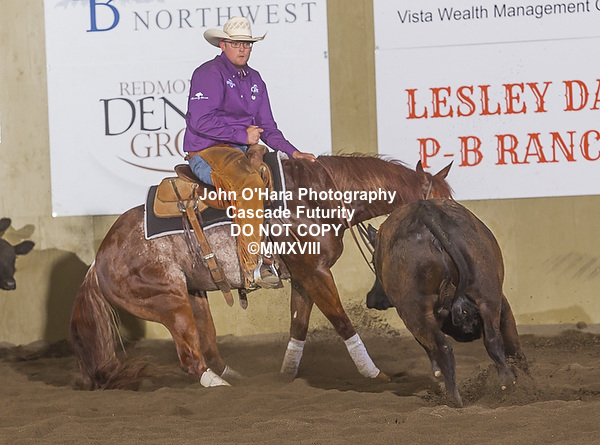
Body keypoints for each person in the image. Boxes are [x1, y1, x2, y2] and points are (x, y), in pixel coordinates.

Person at [183, 16, 316, 290]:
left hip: (242, 149)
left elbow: (268, 127)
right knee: (250, 183)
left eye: (247, 43)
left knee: (286, 178)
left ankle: (285, 253)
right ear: (222, 45)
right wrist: (241, 136)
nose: (242, 49)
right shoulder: (209, 74)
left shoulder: (255, 79)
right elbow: (200, 120)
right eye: (236, 43)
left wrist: (293, 152)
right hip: (208, 151)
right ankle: (252, 265)